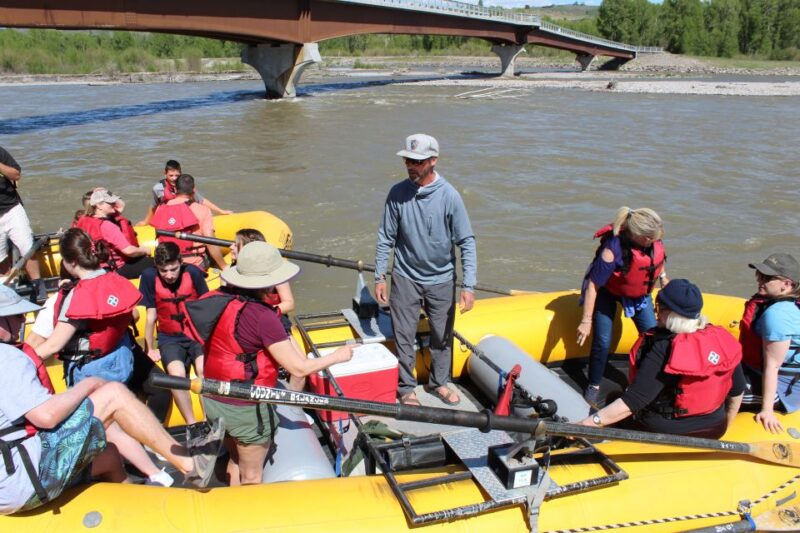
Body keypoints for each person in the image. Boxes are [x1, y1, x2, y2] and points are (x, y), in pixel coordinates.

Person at [0, 284, 225, 515]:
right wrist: (90, 384)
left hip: (6, 487)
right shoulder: (7, 357)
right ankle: (190, 465)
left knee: (108, 454)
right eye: (16, 316)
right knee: (114, 394)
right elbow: (45, 416)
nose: (22, 322)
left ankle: (135, 515)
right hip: (24, 478)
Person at [184, 241, 354, 486]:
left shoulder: (219, 300)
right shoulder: (263, 317)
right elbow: (298, 368)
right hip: (244, 406)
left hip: (212, 397)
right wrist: (339, 355)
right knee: (252, 475)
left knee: (234, 458)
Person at [32, 228, 178, 486]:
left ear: (69, 262)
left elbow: (55, 343)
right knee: (142, 400)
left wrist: (20, 357)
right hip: (122, 358)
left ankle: (147, 473)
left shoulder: (72, 297)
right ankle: (159, 457)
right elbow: (131, 315)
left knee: (107, 425)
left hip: (93, 369)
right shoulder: (115, 279)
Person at [374, 134, 477, 407]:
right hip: (405, 277)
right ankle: (407, 389)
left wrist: (468, 286)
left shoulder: (450, 196)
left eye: (417, 161)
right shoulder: (397, 193)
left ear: (433, 161)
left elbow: (466, 241)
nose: (411, 165)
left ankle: (439, 383)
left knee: (442, 338)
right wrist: (380, 276)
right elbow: (386, 237)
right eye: (408, 159)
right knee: (404, 336)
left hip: (442, 280)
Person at [578, 279, 745, 439]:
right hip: (715, 429)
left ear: (672, 314)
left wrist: (587, 424)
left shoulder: (664, 347)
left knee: (613, 398)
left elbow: (633, 402)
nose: (656, 312)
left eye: (660, 308)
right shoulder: (721, 340)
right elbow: (737, 390)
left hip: (668, 433)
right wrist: (726, 426)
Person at [577, 207, 669, 408]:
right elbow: (594, 285)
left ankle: (648, 381)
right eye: (650, 238)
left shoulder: (652, 240)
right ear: (637, 235)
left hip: (637, 294)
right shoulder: (613, 249)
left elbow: (657, 263)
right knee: (602, 340)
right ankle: (593, 385)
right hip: (608, 292)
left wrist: (663, 280)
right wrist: (586, 320)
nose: (654, 241)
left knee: (653, 337)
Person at [140, 242, 209, 431]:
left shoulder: (193, 273)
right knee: (177, 375)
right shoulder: (148, 277)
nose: (169, 275)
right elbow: (151, 315)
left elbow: (206, 305)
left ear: (180, 262)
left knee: (204, 370)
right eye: (163, 271)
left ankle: (208, 421)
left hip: (195, 334)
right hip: (169, 338)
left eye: (173, 269)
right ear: (156, 267)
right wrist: (150, 348)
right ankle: (192, 424)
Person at [738, 253, 800, 434]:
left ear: (786, 284)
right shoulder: (785, 303)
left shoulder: (778, 314)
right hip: (764, 371)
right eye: (759, 274)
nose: (760, 280)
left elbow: (772, 366)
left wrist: (767, 410)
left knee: (719, 391)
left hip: (784, 390)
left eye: (767, 277)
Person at [150, 174, 226, 272]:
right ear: (194, 190)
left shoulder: (160, 208)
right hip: (195, 263)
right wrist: (223, 265)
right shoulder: (202, 209)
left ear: (176, 190)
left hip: (167, 263)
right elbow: (210, 240)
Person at [74, 189, 154, 279]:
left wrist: (105, 193)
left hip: (96, 267)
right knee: (155, 262)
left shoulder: (84, 220)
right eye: (110, 202)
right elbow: (129, 251)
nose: (114, 204)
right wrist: (144, 250)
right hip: (116, 269)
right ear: (99, 205)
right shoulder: (107, 226)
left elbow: (121, 206)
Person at [0, 145, 45, 301]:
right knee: (1, 258)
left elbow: (16, 174)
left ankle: (39, 288)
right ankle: (7, 291)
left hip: (12, 208)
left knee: (27, 248)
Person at [136, 160, 232, 226]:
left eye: (177, 175)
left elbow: (201, 200)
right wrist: (146, 222)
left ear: (181, 174)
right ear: (165, 174)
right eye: (171, 175)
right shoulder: (158, 189)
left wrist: (221, 211)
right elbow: (153, 206)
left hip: (185, 216)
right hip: (169, 218)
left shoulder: (185, 184)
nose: (174, 178)